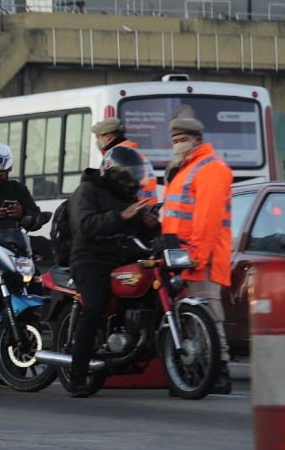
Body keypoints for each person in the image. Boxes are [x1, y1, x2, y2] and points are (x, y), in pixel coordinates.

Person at [64, 146, 160, 396]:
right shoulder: (87, 191)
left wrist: (150, 225)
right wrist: (121, 215)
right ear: (113, 174)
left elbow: (133, 226)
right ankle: (77, 375)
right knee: (95, 305)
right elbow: (85, 226)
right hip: (90, 258)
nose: (132, 183)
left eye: (135, 178)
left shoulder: (127, 196)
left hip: (122, 255)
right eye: (127, 177)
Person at [161, 115, 234, 394]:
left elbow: (208, 220)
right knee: (187, 316)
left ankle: (220, 371)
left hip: (201, 257)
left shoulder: (210, 170)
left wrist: (197, 257)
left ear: (197, 140)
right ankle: (194, 370)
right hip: (181, 256)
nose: (177, 146)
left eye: (182, 141)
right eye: (175, 141)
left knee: (209, 314)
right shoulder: (184, 169)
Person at [0, 140, 42, 235]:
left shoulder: (17, 189)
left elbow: (36, 219)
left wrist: (22, 213)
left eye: (1, 174)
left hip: (13, 243)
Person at [91, 117, 158, 199]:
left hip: (133, 207)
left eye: (98, 137)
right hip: (148, 207)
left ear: (108, 137)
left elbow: (105, 187)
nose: (97, 141)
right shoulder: (136, 153)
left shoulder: (113, 157)